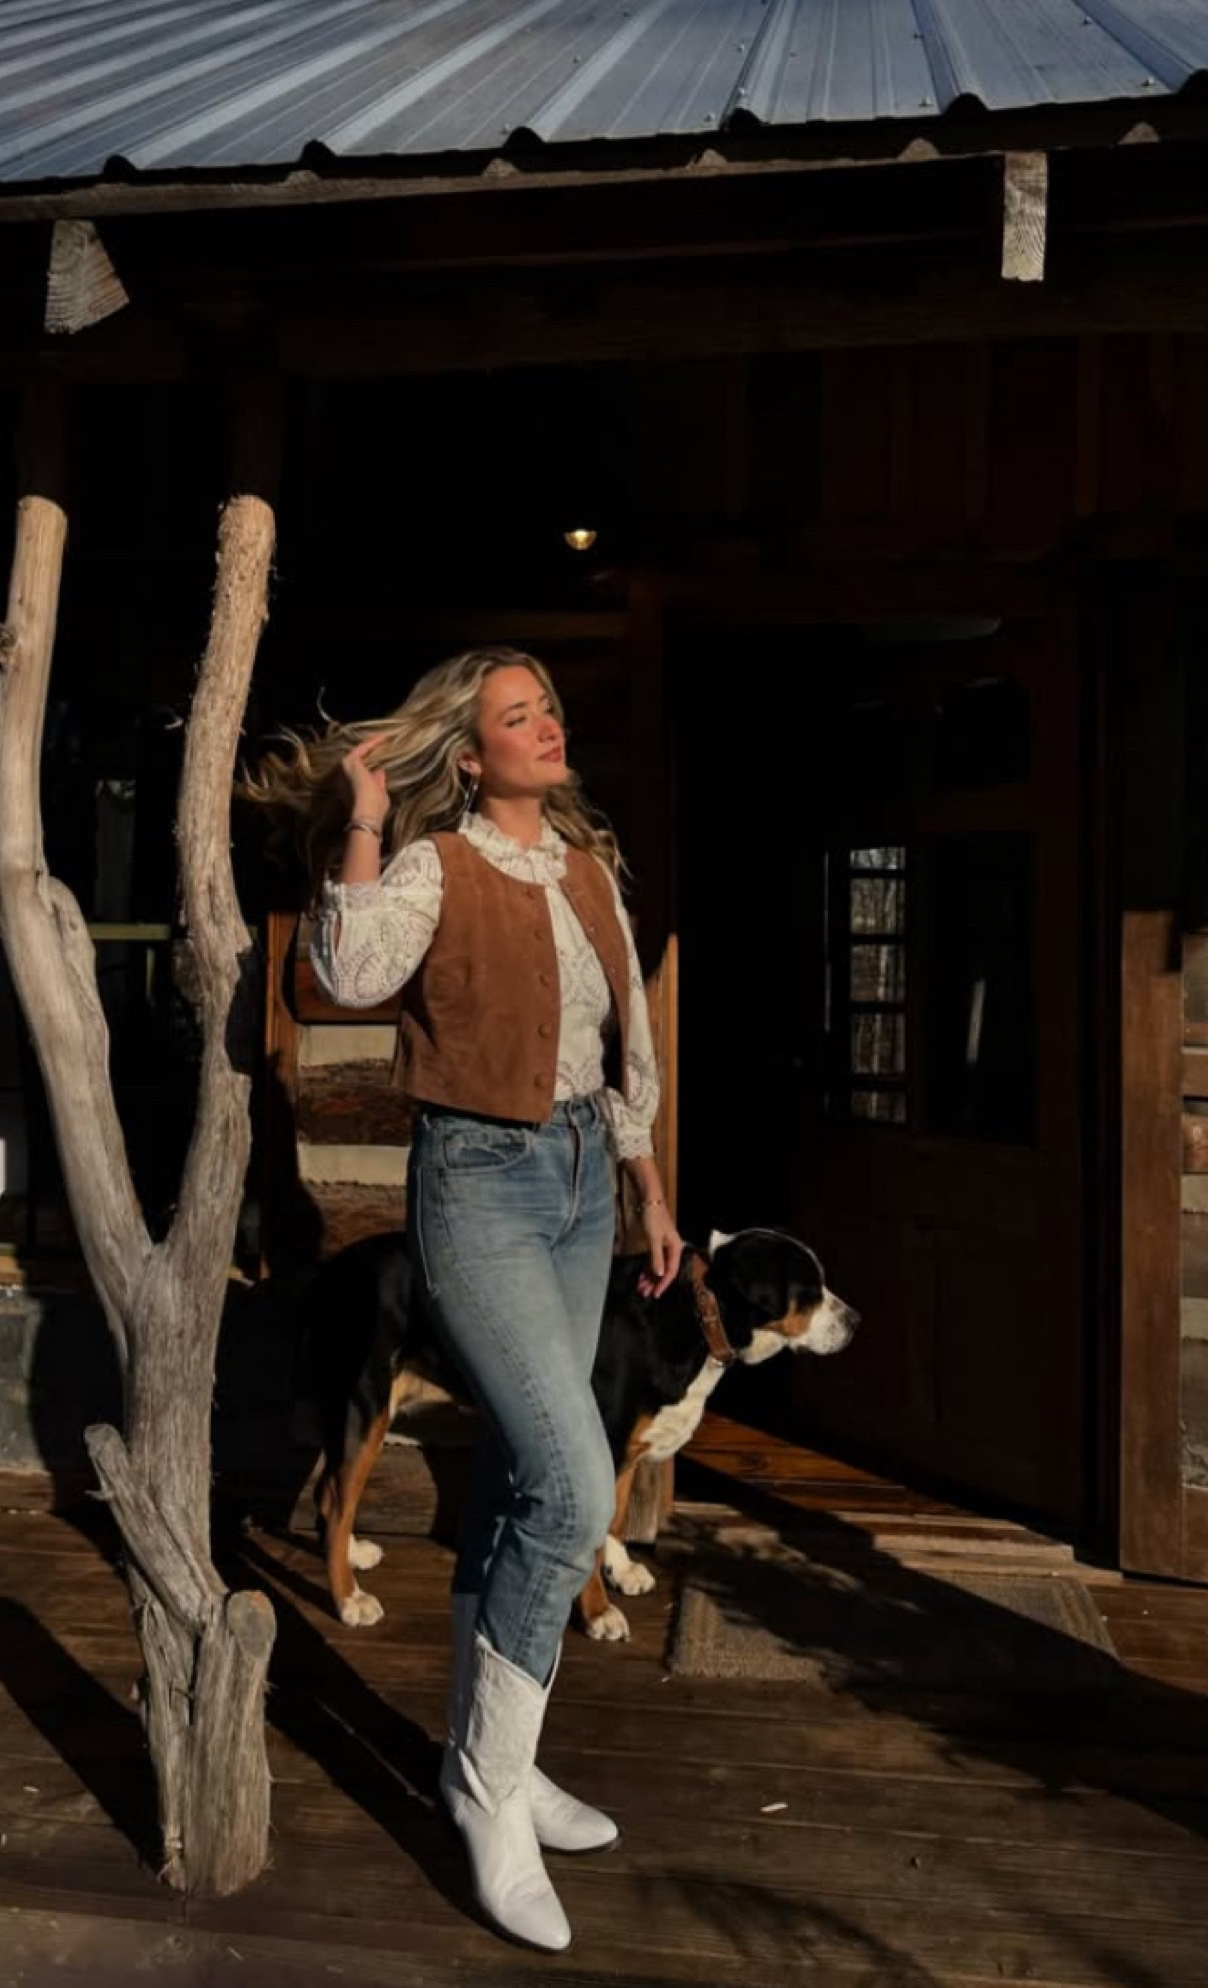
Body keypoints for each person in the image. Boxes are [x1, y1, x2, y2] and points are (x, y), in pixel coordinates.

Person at [247, 648, 683, 1951]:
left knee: (510, 1484)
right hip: (479, 1187)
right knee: (566, 1477)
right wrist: (371, 827)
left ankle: (489, 1759)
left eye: (550, 704)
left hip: (578, 1189)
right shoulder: (439, 865)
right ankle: (492, 1790)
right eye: (515, 715)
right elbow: (357, 972)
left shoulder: (589, 874)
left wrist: (649, 1185)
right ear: (473, 755)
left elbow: (628, 1053)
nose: (546, 724)